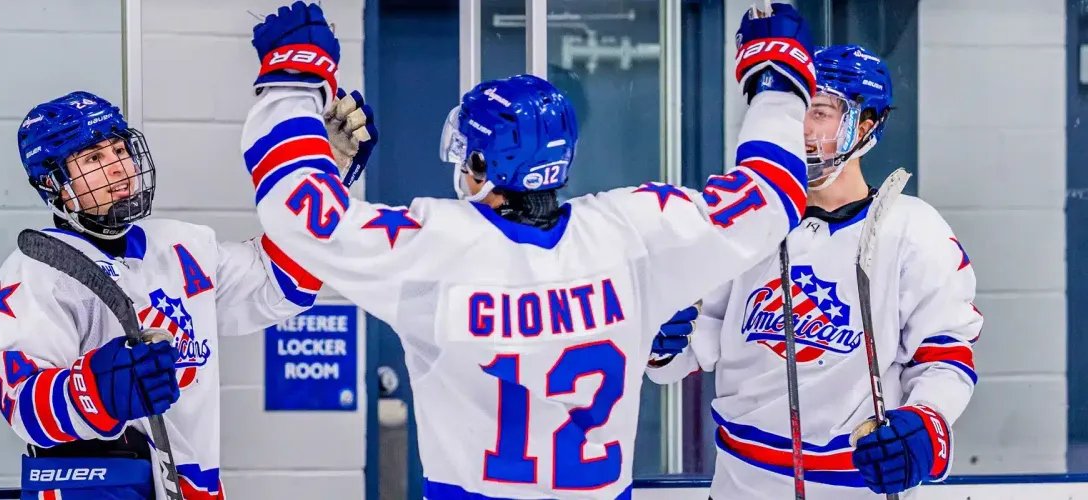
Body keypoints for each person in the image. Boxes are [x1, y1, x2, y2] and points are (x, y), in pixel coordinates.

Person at [239, 2, 815, 498]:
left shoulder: (438, 247)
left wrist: (293, 82)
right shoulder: (634, 231)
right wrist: (777, 83)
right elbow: (771, 196)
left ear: (483, 167)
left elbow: (300, 214)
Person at [646, 44, 982, 499]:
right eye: (795, 110)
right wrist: (661, 341)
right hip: (740, 485)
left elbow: (944, 355)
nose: (802, 128)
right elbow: (687, 349)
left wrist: (927, 421)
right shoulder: (746, 221)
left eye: (821, 112)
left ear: (866, 125)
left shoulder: (913, 231)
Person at [0, 90, 327, 499]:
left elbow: (281, 285)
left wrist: (325, 180)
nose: (119, 168)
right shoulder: (38, 269)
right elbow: (20, 401)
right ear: (53, 184)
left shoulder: (184, 246)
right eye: (93, 159)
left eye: (119, 149)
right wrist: (95, 390)